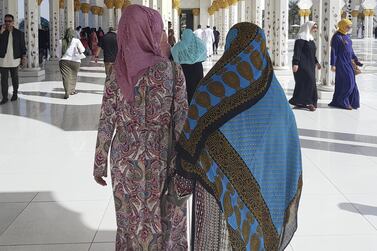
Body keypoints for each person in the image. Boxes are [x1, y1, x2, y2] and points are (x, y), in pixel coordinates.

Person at [176, 22, 302, 250]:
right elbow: (288, 149)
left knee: (215, 240)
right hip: (265, 187)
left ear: (230, 45)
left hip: (216, 189)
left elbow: (191, 138)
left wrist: (181, 183)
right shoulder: (276, 96)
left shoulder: (210, 89)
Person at [93, 5, 190, 250]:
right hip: (164, 156)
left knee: (131, 219)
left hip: (125, 158)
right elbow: (181, 123)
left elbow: (106, 120)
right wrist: (188, 165)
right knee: (166, 217)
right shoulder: (172, 71)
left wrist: (99, 163)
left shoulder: (116, 75)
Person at [329, 19, 362, 110]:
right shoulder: (337, 37)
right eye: (348, 26)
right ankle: (343, 102)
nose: (349, 28)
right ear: (342, 25)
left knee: (349, 83)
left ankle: (342, 102)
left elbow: (350, 50)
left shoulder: (347, 36)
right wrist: (333, 64)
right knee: (348, 83)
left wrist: (356, 59)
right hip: (341, 63)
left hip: (348, 63)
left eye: (350, 27)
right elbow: (334, 51)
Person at [290, 21, 321, 111]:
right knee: (309, 81)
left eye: (316, 27)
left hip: (310, 64)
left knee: (305, 83)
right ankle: (309, 102)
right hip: (301, 64)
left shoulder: (310, 39)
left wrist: (316, 62)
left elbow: (312, 53)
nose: (315, 29)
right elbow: (297, 52)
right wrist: (295, 63)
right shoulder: (301, 38)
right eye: (314, 27)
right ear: (308, 27)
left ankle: (299, 101)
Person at [171, 29, 207, 102]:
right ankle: (197, 104)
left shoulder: (178, 46)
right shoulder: (199, 44)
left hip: (185, 69)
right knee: (197, 87)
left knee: (187, 87)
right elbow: (204, 55)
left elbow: (175, 60)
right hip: (198, 68)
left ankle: (187, 104)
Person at [0, 14, 26, 105]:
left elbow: (23, 46)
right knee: (3, 80)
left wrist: (23, 57)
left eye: (9, 21)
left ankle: (15, 94)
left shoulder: (19, 33)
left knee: (15, 78)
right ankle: (4, 97)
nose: (7, 23)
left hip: (15, 60)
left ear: (13, 22)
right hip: (3, 60)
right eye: (6, 21)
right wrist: (1, 32)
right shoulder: (1, 31)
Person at [57, 28, 86, 99]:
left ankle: (67, 91)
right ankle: (72, 91)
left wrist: (60, 59)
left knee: (65, 77)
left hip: (64, 61)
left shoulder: (61, 41)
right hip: (76, 61)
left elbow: (57, 53)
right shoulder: (77, 41)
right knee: (73, 76)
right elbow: (83, 50)